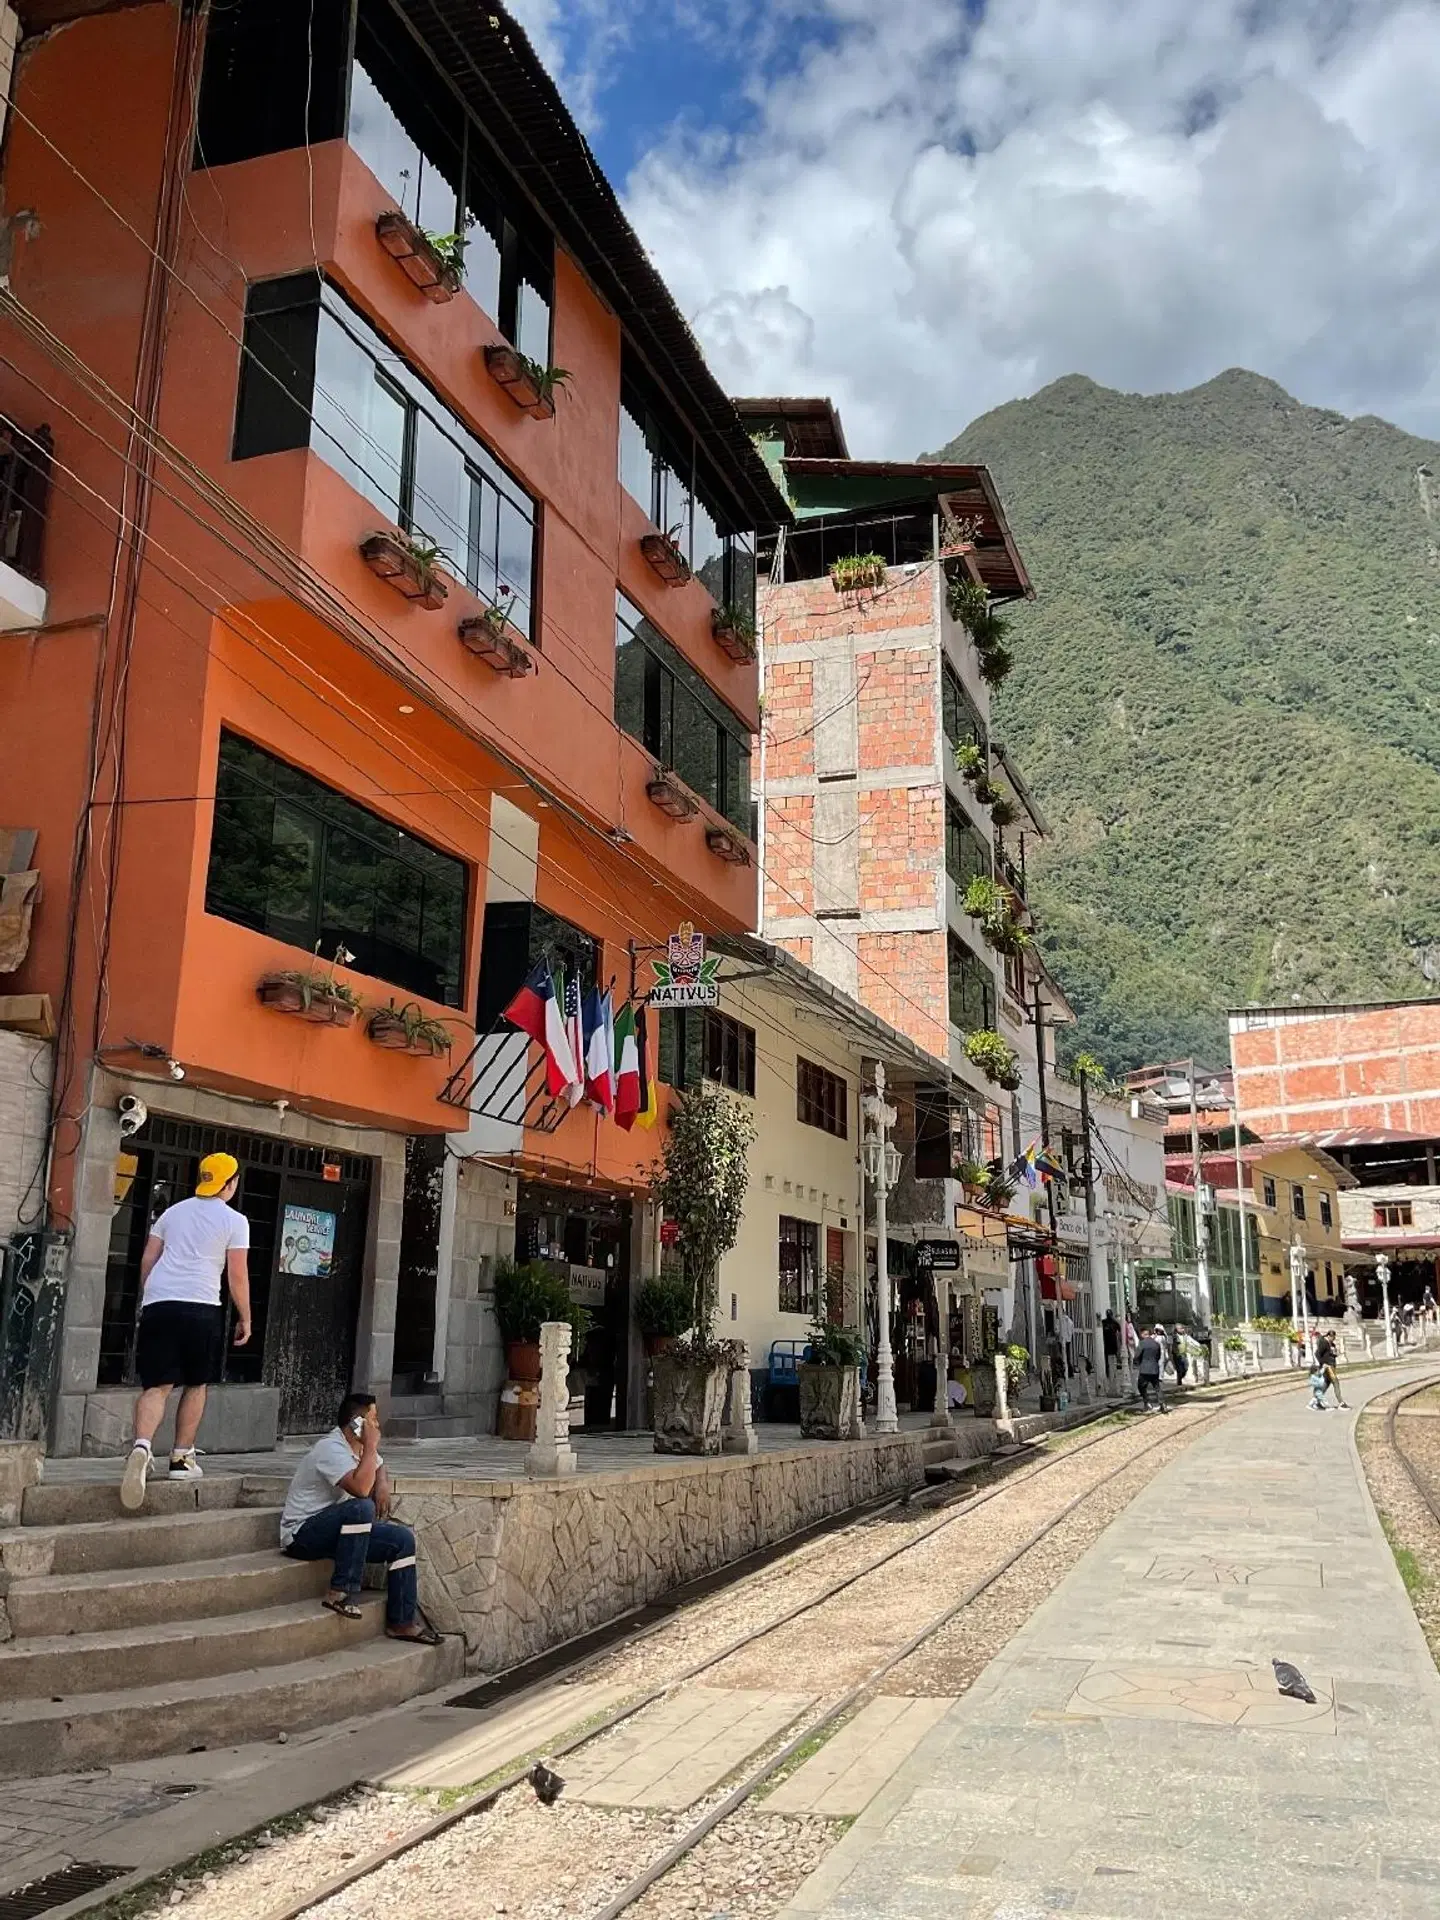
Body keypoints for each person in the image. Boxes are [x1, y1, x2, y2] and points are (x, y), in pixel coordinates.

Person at [121, 1152, 251, 1511]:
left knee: (156, 1386)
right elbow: (237, 1274)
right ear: (230, 1183)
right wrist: (246, 1317)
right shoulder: (235, 1220)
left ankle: (142, 1447)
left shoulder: (171, 1213)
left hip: (160, 1303)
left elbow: (148, 1259)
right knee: (196, 1384)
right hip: (201, 1306)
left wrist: (151, 1294)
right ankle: (181, 1458)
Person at [280, 1392, 441, 1644]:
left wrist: (383, 1482)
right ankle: (340, 1591)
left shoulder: (359, 1448)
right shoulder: (330, 1448)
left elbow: (379, 1464)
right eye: (373, 1420)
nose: (377, 1426)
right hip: (302, 1534)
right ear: (357, 1424)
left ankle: (401, 1622)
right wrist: (372, 1445)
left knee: (402, 1540)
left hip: (338, 1534)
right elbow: (361, 1489)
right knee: (361, 1507)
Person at [1135, 1325, 1167, 1413]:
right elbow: (1158, 1356)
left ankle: (1147, 1403)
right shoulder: (1156, 1344)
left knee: (1141, 1387)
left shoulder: (1142, 1343)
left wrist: (1137, 1363)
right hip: (1154, 1369)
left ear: (1142, 1334)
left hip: (1144, 1369)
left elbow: (1137, 1356)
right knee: (1157, 1387)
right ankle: (1163, 1404)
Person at [1314, 1329, 1347, 1408]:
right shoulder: (1324, 1343)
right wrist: (1322, 1363)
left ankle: (1317, 1401)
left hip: (1332, 1365)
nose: (1333, 1339)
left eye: (1334, 1337)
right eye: (1331, 1337)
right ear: (1328, 1336)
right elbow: (1317, 1354)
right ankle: (1341, 1402)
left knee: (1326, 1384)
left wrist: (1336, 1354)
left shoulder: (1332, 1345)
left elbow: (1331, 1354)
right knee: (1335, 1382)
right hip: (1328, 1366)